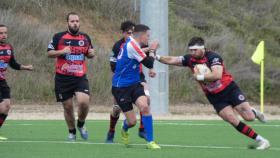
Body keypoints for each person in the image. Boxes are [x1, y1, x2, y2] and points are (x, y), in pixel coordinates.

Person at [156, 36, 270, 150]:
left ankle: (254, 112)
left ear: (202, 48)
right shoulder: (190, 59)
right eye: (190, 50)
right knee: (232, 119)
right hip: (214, 96)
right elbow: (172, 60)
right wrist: (156, 56)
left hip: (229, 89)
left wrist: (199, 76)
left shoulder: (214, 57)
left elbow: (217, 75)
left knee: (249, 117)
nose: (192, 53)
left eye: (195, 50)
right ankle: (261, 140)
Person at [47, 12, 95, 141]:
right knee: (68, 107)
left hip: (80, 77)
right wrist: (62, 51)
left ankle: (81, 124)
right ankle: (72, 132)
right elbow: (49, 53)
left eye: (77, 21)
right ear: (67, 22)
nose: (75, 23)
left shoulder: (85, 37)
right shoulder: (58, 37)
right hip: (62, 78)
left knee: (84, 102)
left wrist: (91, 53)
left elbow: (90, 53)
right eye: (72, 21)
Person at [112, 24, 160, 149]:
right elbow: (149, 62)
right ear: (142, 35)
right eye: (147, 36)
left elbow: (140, 53)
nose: (148, 39)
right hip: (121, 87)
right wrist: (153, 49)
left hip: (134, 84)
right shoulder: (132, 45)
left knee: (145, 107)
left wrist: (149, 48)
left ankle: (150, 141)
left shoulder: (132, 43)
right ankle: (124, 127)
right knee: (132, 122)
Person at [0, 24, 33, 140]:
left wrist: (25, 67)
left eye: (5, 33)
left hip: (2, 82)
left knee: (7, 106)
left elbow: (13, 64)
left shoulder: (9, 48)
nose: (3, 35)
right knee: (1, 107)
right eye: (1, 33)